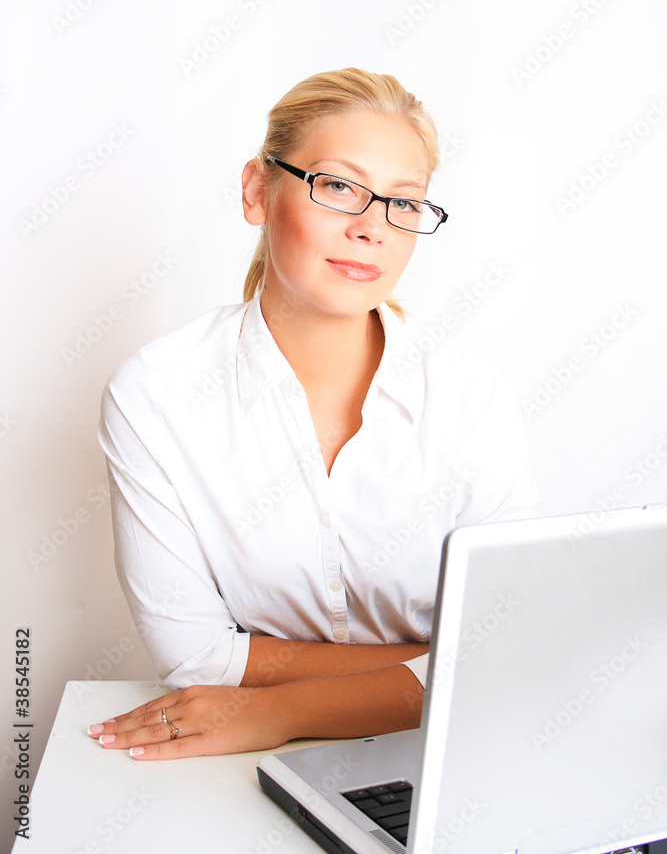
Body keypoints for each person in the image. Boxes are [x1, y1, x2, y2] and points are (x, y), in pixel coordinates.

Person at [89, 68, 538, 760]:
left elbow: (509, 650)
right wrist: (440, 663)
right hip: (238, 772)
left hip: (459, 758)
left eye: (403, 202)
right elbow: (197, 658)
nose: (371, 228)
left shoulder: (471, 398)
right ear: (256, 191)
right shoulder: (156, 394)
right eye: (337, 187)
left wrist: (278, 711)